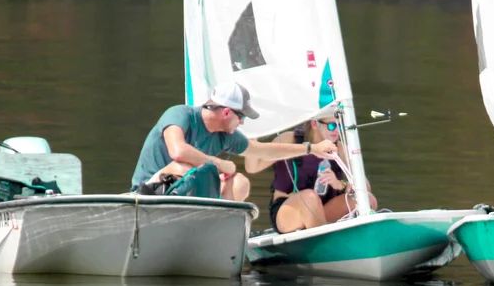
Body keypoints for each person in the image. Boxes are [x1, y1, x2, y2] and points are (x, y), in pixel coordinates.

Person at [130, 81, 338, 202]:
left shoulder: (226, 136)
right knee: (184, 166)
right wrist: (218, 163)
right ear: (227, 112)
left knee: (239, 182)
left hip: (185, 198)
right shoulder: (180, 115)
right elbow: (178, 151)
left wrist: (311, 148)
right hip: (149, 193)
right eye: (242, 117)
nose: (242, 123)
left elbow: (263, 151)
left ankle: (216, 230)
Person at [250, 117, 377, 233]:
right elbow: (253, 167)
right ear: (315, 124)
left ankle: (355, 242)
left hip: (322, 210)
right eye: (332, 126)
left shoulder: (339, 148)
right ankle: (324, 246)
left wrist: (341, 184)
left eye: (341, 125)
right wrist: (252, 134)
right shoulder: (290, 140)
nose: (337, 131)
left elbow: (365, 186)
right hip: (288, 212)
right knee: (310, 198)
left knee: (367, 199)